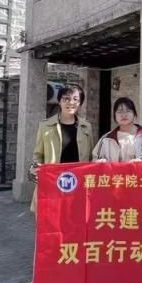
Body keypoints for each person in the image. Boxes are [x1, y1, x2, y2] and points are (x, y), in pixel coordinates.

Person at [29, 83, 94, 213]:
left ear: (80, 103)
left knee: (76, 217)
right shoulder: (45, 126)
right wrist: (35, 168)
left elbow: (91, 156)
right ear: (59, 101)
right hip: (53, 182)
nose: (71, 102)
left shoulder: (86, 127)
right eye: (66, 99)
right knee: (52, 218)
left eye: (75, 99)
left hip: (79, 182)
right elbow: (38, 155)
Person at [93, 97, 142, 162]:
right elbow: (95, 160)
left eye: (128, 111)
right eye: (119, 112)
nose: (124, 115)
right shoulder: (106, 139)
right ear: (114, 116)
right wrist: (101, 162)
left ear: (134, 114)